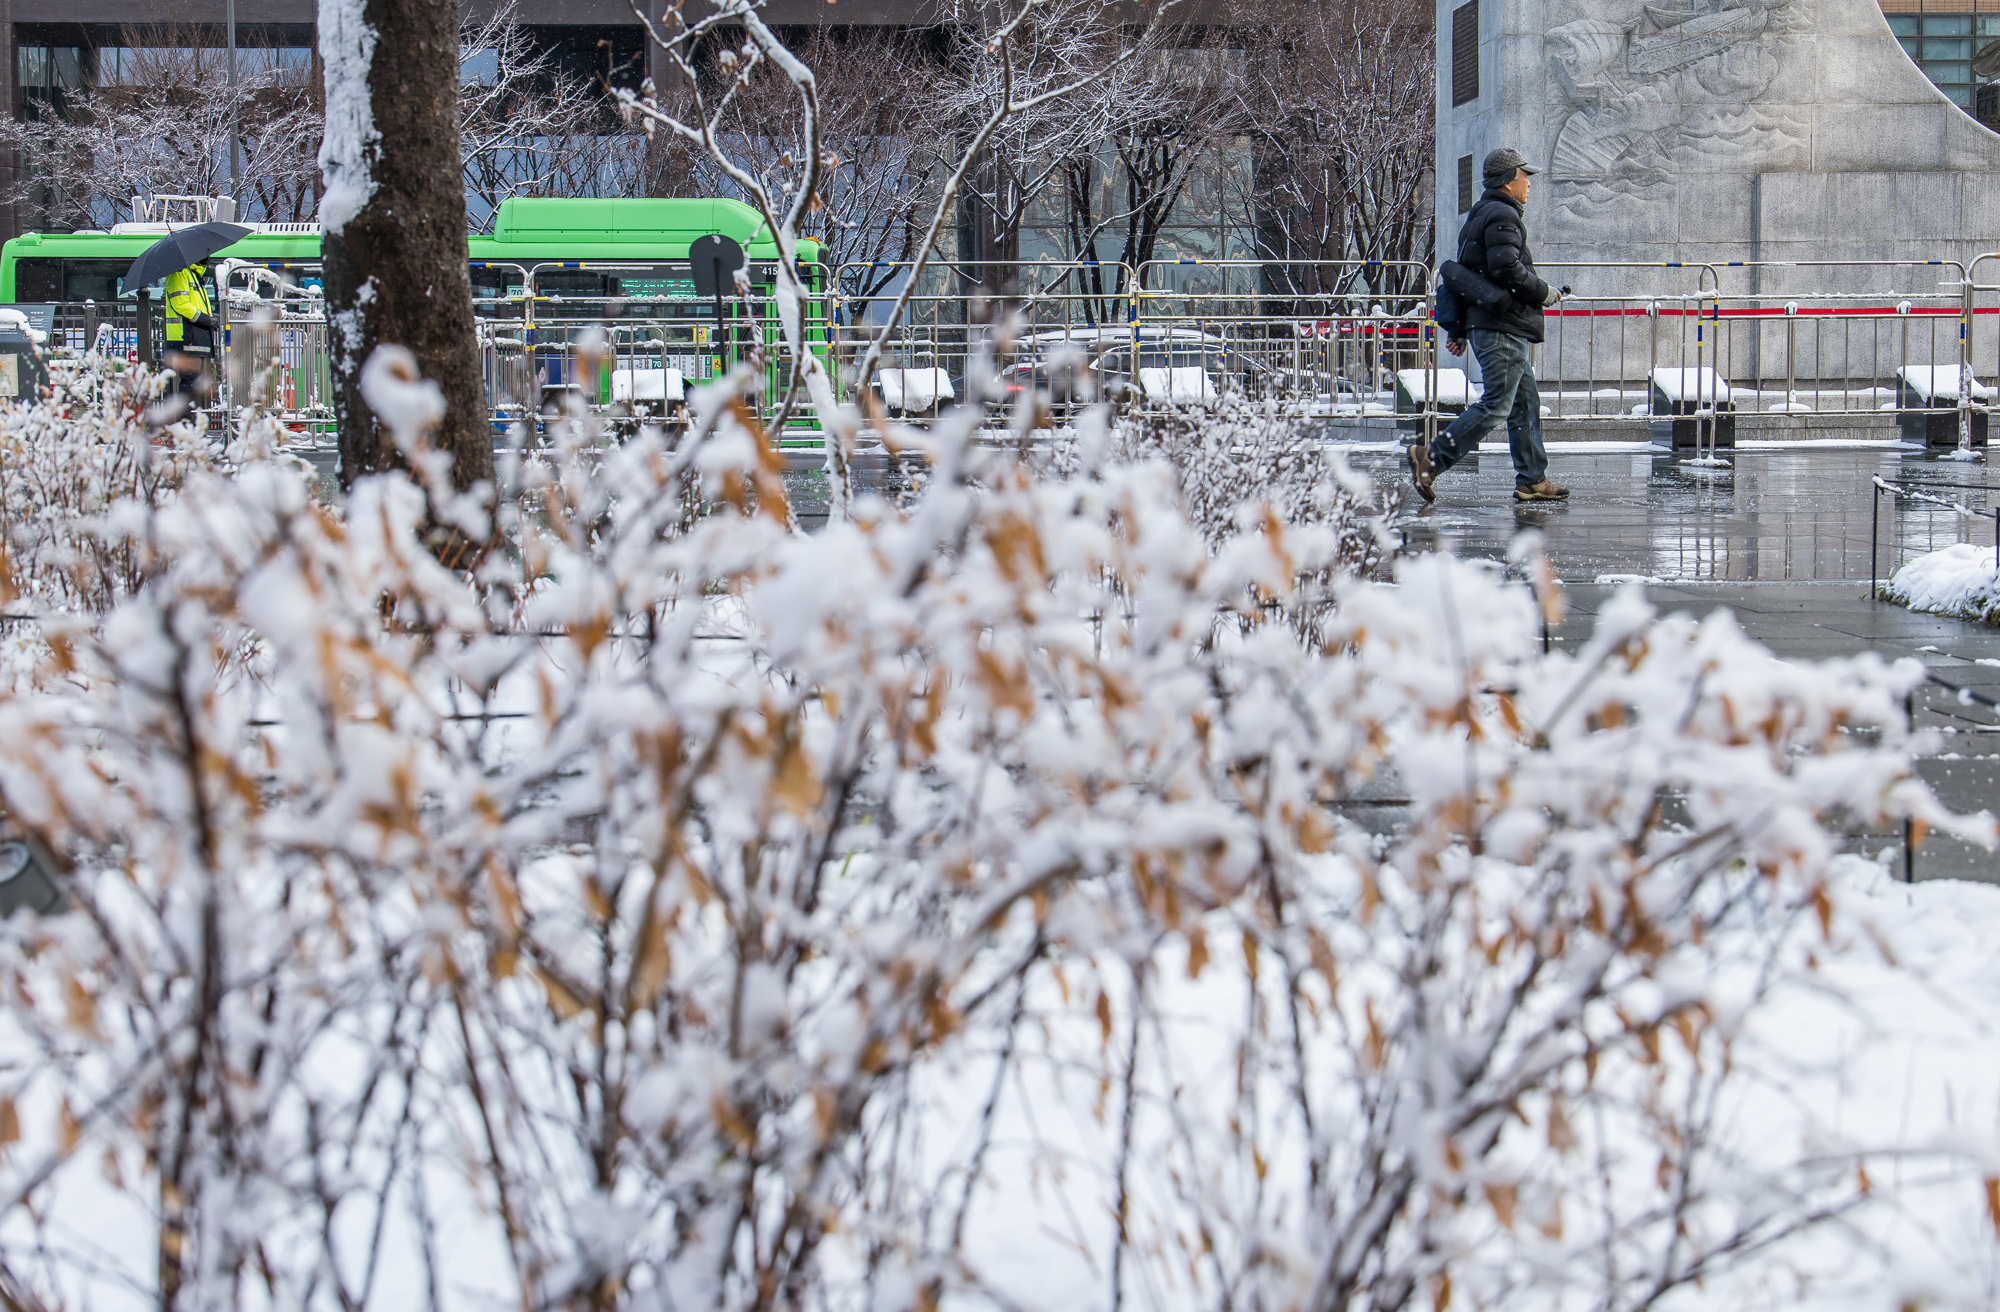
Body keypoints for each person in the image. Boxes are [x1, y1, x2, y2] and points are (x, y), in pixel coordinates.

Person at [1409, 148, 1570, 505]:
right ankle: (1432, 458)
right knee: (1497, 404)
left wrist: (1461, 329)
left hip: (1491, 325)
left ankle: (1532, 479)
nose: (1528, 182)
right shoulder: (1502, 214)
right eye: (1524, 175)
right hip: (1502, 327)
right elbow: (1505, 269)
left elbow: (1470, 278)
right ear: (1508, 178)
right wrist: (1543, 292)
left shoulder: (1480, 215)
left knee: (1525, 402)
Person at [161, 260, 215, 400]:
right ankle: (185, 419)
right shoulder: (179, 273)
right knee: (190, 384)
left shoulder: (193, 274)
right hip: (185, 336)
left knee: (193, 384)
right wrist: (205, 319)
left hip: (194, 336)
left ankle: (187, 418)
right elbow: (181, 304)